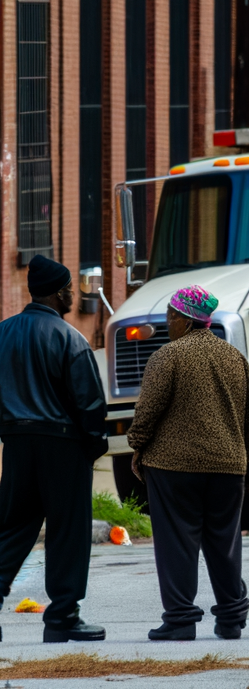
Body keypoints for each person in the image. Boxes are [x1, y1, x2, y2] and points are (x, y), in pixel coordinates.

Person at [128, 286, 249, 641]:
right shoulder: (236, 359)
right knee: (224, 542)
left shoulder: (167, 356)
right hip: (228, 466)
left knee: (176, 542)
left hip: (174, 467)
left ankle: (180, 619)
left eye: (171, 316)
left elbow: (148, 411)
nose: (168, 323)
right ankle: (231, 618)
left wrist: (137, 445)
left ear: (185, 320)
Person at [0, 256, 108, 643]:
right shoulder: (69, 338)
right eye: (68, 291)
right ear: (60, 292)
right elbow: (90, 403)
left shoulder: (3, 333)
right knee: (68, 531)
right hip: (62, 444)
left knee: (12, 527)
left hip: (16, 442)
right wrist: (94, 444)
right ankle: (63, 616)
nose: (71, 298)